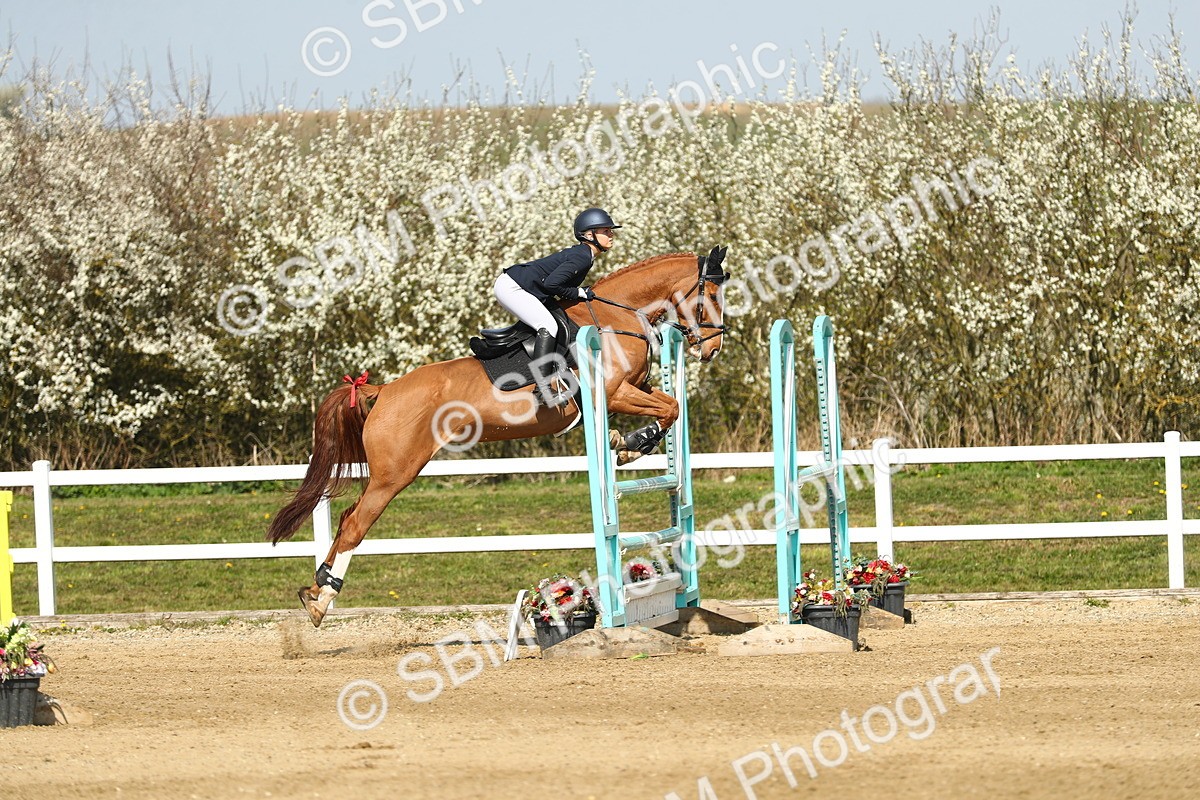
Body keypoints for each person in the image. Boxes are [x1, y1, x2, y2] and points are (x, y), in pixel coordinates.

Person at [494, 207, 621, 405]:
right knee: (548, 325)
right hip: (513, 288)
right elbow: (552, 285)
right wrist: (579, 293)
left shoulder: (584, 254)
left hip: (521, 285)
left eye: (610, 230)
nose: (611, 234)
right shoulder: (582, 257)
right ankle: (542, 389)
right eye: (606, 231)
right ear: (589, 235)